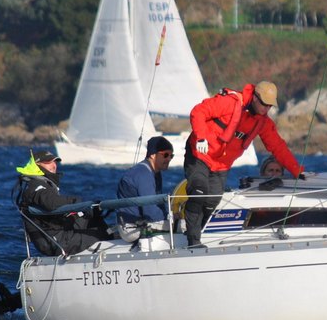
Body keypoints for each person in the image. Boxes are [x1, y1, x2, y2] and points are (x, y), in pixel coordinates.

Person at [183, 81, 307, 247]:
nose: (266, 109)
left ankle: (193, 231)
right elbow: (198, 111)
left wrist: (296, 170)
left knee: (212, 201)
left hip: (221, 164)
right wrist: (201, 137)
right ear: (255, 97)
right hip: (200, 154)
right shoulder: (230, 103)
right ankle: (193, 241)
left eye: (270, 106)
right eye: (264, 104)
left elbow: (278, 146)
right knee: (199, 192)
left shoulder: (262, 122)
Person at [15, 150, 112, 257]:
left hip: (58, 230)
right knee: (101, 234)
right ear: (37, 165)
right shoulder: (36, 186)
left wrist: (91, 208)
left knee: (93, 219)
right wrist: (76, 201)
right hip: (53, 240)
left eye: (54, 162)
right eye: (48, 162)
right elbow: (51, 202)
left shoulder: (42, 183)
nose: (53, 165)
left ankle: (110, 236)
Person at [116, 136, 175, 241]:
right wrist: (172, 218)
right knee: (183, 225)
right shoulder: (144, 174)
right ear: (153, 155)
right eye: (166, 155)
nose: (169, 159)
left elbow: (157, 204)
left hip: (138, 222)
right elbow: (150, 211)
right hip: (131, 229)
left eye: (171, 156)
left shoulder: (155, 173)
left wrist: (169, 215)